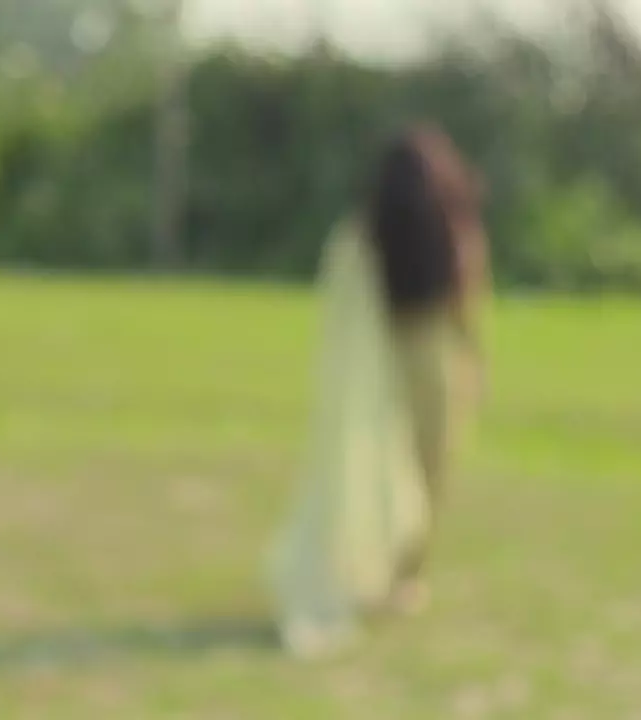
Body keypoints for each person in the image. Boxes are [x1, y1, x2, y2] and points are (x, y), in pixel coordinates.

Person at [268, 124, 489, 659]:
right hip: (435, 364)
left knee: (384, 469)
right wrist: (477, 363)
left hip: (384, 364)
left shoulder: (367, 235)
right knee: (429, 472)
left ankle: (384, 568)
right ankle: (406, 575)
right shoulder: (452, 229)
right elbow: (469, 303)